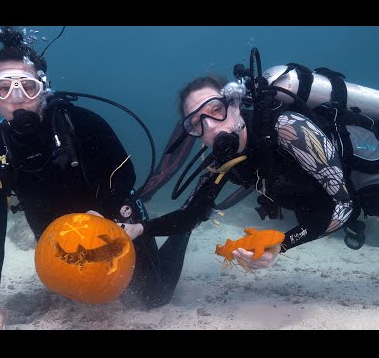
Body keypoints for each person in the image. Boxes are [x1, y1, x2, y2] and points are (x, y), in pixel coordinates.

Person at [0, 26, 191, 330]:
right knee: (73, 289)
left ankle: (181, 230)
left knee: (152, 296)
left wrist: (105, 211)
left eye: (28, 86)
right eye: (3, 87)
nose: (17, 98)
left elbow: (125, 176)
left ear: (43, 88)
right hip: (58, 239)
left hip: (114, 217)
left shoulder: (83, 123)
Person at [121, 67, 379, 271]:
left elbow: (345, 206)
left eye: (216, 110)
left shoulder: (288, 128)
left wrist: (282, 244)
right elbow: (190, 216)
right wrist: (140, 228)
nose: (210, 126)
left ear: (235, 105)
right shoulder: (223, 163)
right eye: (197, 123)